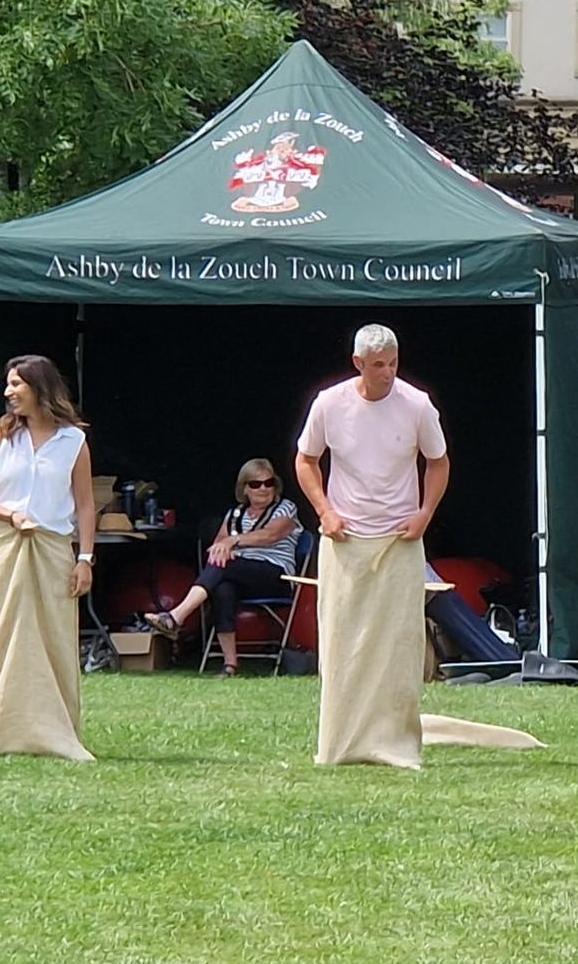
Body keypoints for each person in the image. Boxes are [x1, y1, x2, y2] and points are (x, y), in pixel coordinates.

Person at [295, 323, 449, 767]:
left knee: (398, 645)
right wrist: (325, 511)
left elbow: (438, 463)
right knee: (344, 641)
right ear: (358, 364)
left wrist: (424, 514)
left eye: (393, 363)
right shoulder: (330, 404)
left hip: (399, 541)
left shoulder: (417, 405)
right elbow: (306, 460)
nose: (387, 373)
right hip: (345, 541)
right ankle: (340, 743)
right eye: (378, 365)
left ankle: (396, 742)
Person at [0, 355, 97, 760]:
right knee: (3, 634)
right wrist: (11, 514)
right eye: (7, 385)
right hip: (5, 545)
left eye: (16, 384)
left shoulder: (73, 440)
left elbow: (86, 505)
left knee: (54, 637)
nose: (8, 392)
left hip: (54, 548)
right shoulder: (0, 437)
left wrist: (85, 558)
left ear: (39, 388)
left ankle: (59, 733)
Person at [143, 458, 299, 675]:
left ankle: (176, 616)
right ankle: (230, 665)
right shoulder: (235, 514)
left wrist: (232, 542)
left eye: (269, 483)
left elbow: (270, 535)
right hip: (239, 574)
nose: (263, 488)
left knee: (225, 565)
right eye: (256, 484)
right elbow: (217, 547)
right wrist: (223, 546)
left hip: (274, 576)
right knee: (222, 586)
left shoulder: (286, 508)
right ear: (244, 488)